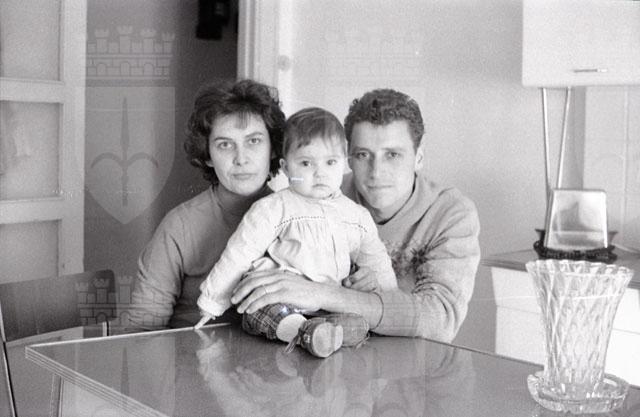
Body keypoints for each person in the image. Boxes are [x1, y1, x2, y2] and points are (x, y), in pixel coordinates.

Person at [230, 88, 480, 343]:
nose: (376, 172)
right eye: (363, 155)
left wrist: (323, 294)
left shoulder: (451, 213)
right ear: (347, 157)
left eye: (392, 155)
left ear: (419, 157)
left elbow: (440, 320)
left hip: (413, 359)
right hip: (325, 348)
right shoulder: (319, 195)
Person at [196, 107, 397, 357]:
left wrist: (386, 293)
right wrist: (212, 301)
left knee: (359, 320)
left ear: (344, 163)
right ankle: (304, 331)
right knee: (257, 306)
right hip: (281, 300)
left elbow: (377, 262)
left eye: (330, 162)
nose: (319, 172)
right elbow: (239, 253)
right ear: (286, 167)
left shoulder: (357, 217)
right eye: (305, 163)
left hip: (329, 303)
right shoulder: (274, 208)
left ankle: (325, 333)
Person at [126, 79, 286, 330]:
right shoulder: (179, 226)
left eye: (253, 141)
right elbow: (142, 329)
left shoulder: (299, 220)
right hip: (190, 350)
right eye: (225, 145)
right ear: (208, 156)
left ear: (273, 149)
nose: (241, 158)